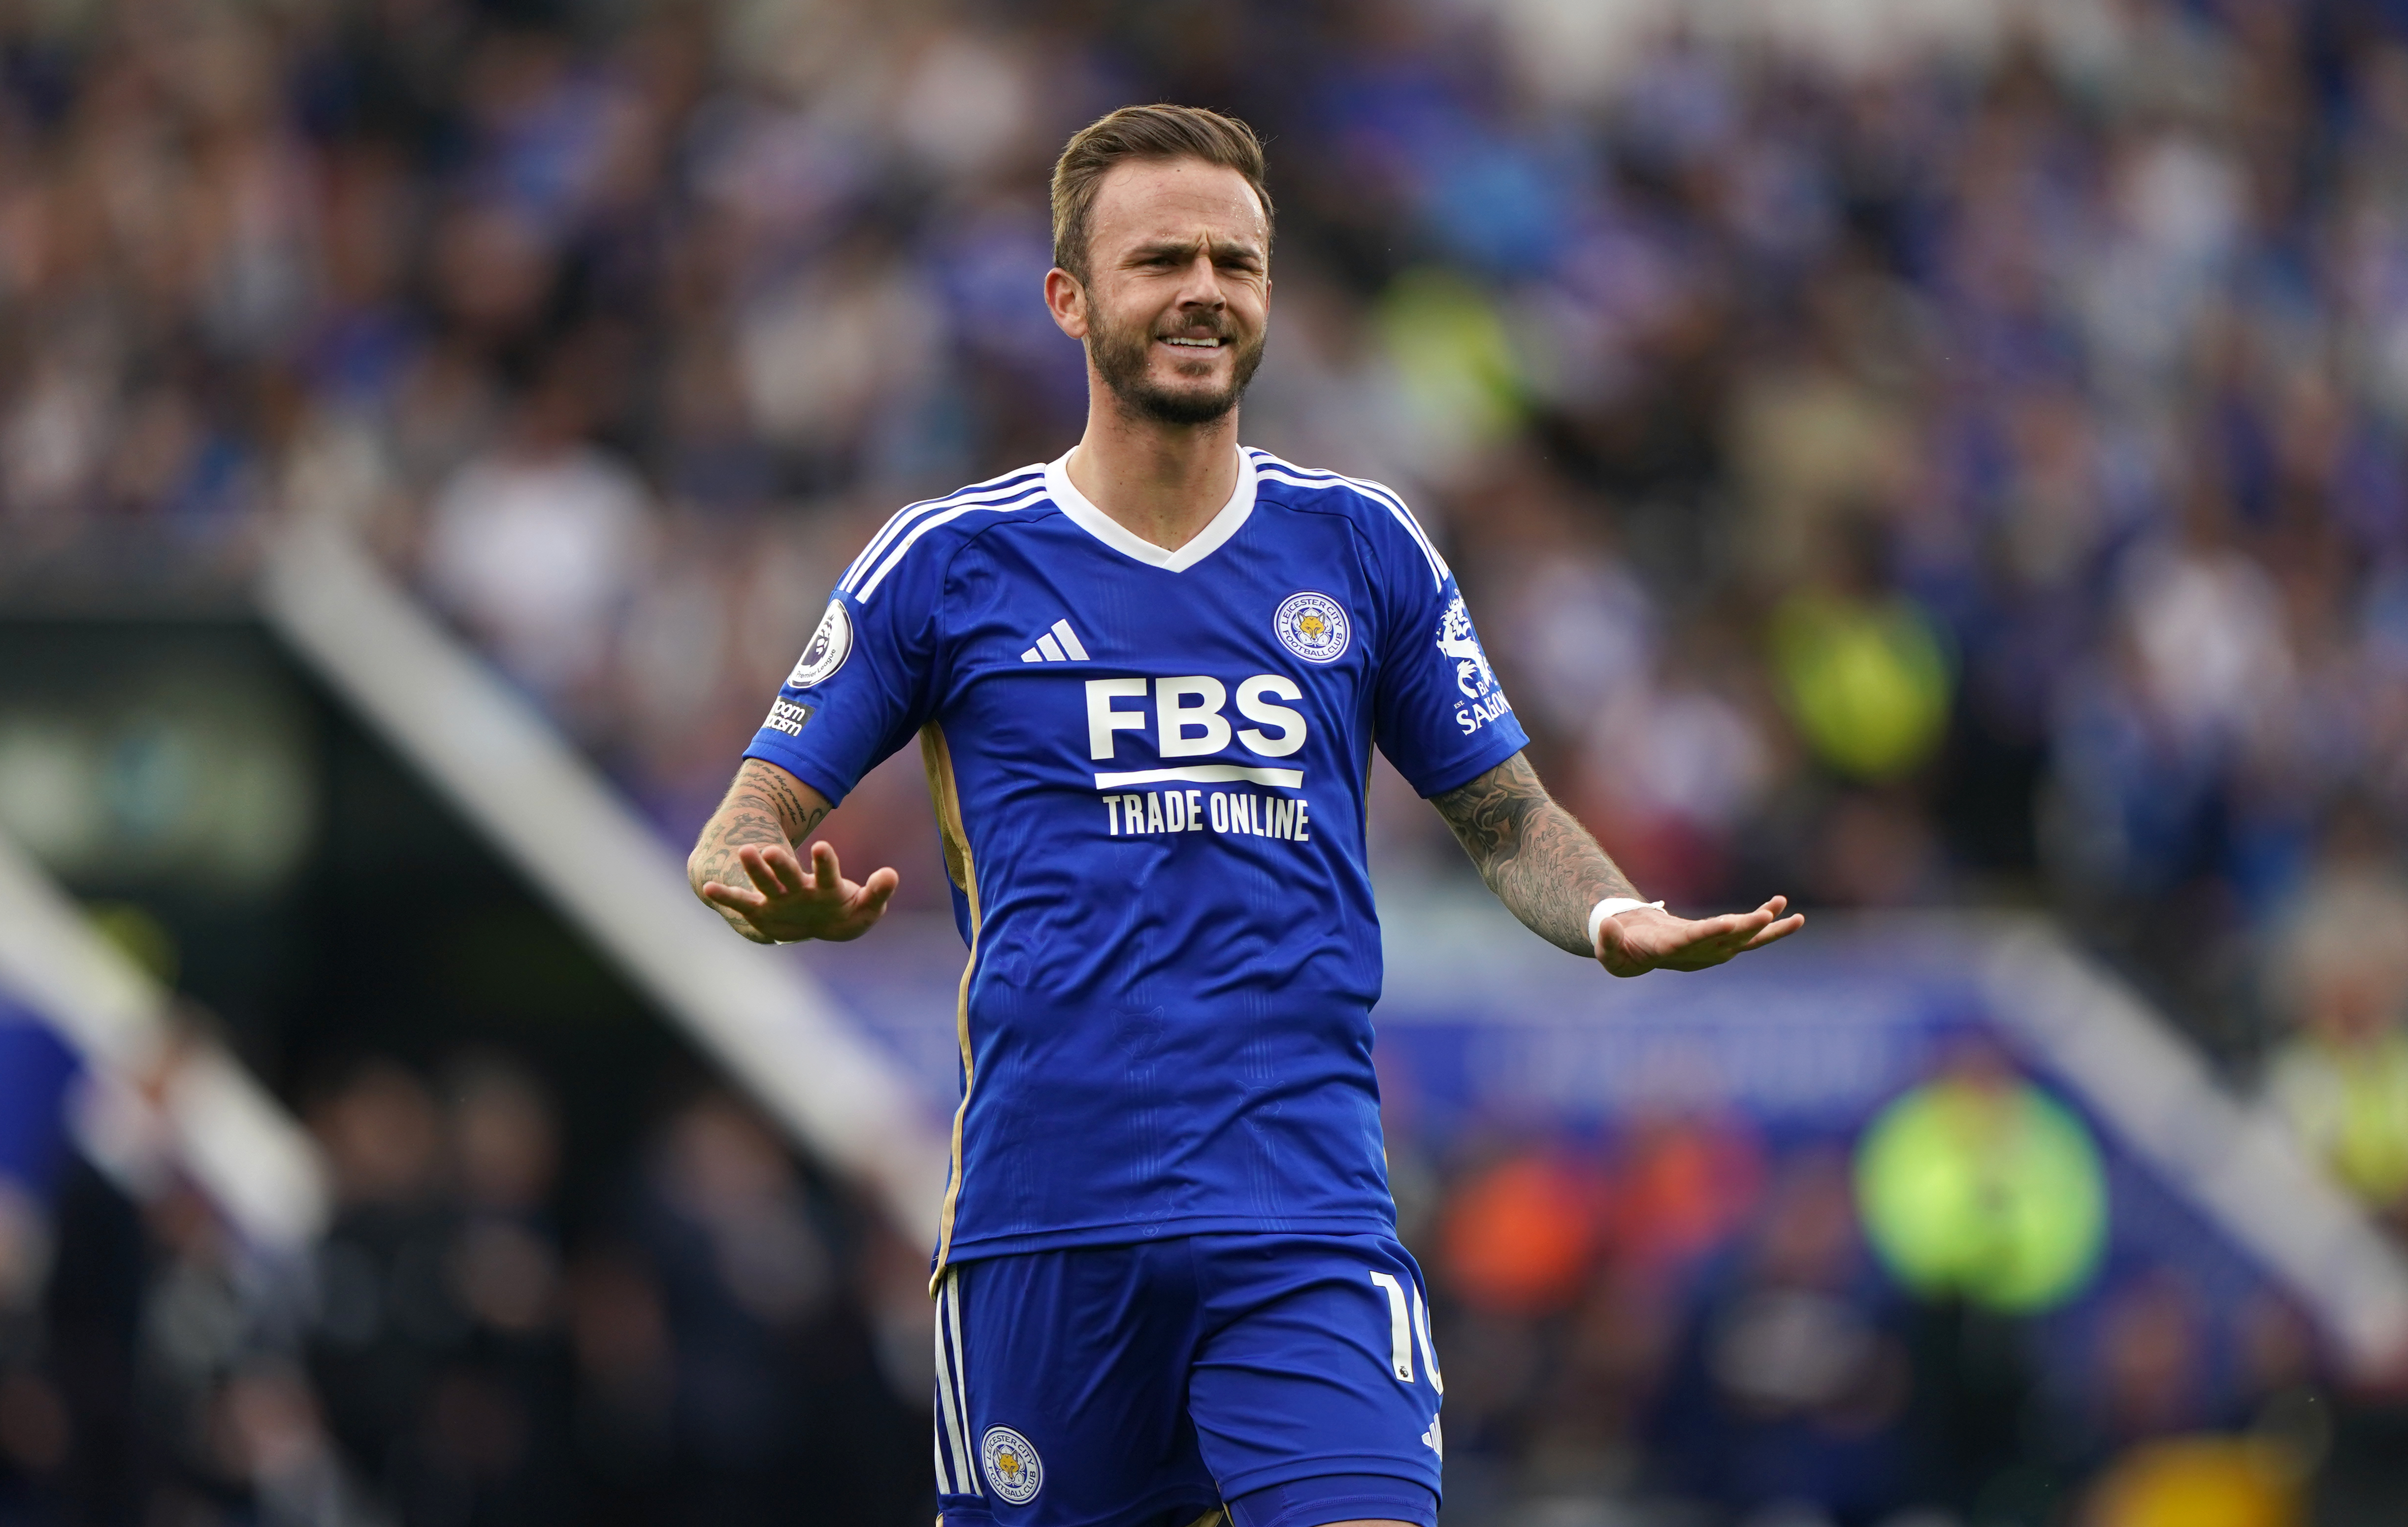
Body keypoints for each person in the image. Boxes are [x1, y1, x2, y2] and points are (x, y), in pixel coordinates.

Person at [684, 104, 1802, 1527]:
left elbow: (1508, 818)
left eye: (1235, 262)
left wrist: (1609, 914)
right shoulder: (949, 562)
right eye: (1162, 261)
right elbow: (741, 823)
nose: (1204, 290)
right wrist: (762, 887)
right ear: (1069, 299)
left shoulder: (1363, 544)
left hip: (1304, 1216)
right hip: (1045, 1225)